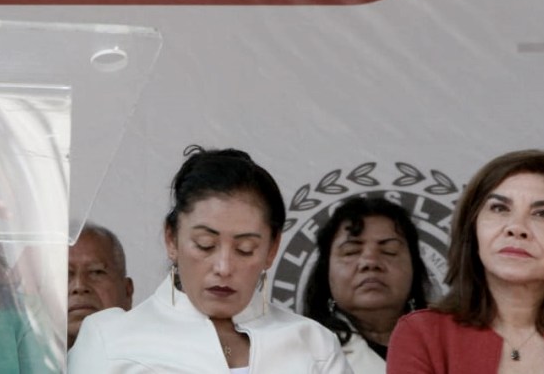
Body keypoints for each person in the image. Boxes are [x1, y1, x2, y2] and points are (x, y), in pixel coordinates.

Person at [68, 145, 351, 373]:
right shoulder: (111, 339)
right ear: (171, 239)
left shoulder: (313, 344)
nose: (223, 267)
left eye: (245, 249)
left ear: (272, 248)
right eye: (205, 245)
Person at [387, 149, 544, 373]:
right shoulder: (423, 334)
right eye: (499, 208)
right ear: (472, 230)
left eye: (542, 214)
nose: (516, 228)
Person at [304, 196, 431, 373]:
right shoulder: (301, 352)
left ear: (414, 268)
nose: (370, 262)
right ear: (326, 272)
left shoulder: (446, 344)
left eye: (389, 251)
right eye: (351, 251)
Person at [68, 222, 134, 348]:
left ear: (127, 291)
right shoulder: (27, 358)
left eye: (96, 272)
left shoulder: (156, 356)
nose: (79, 286)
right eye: (64, 275)